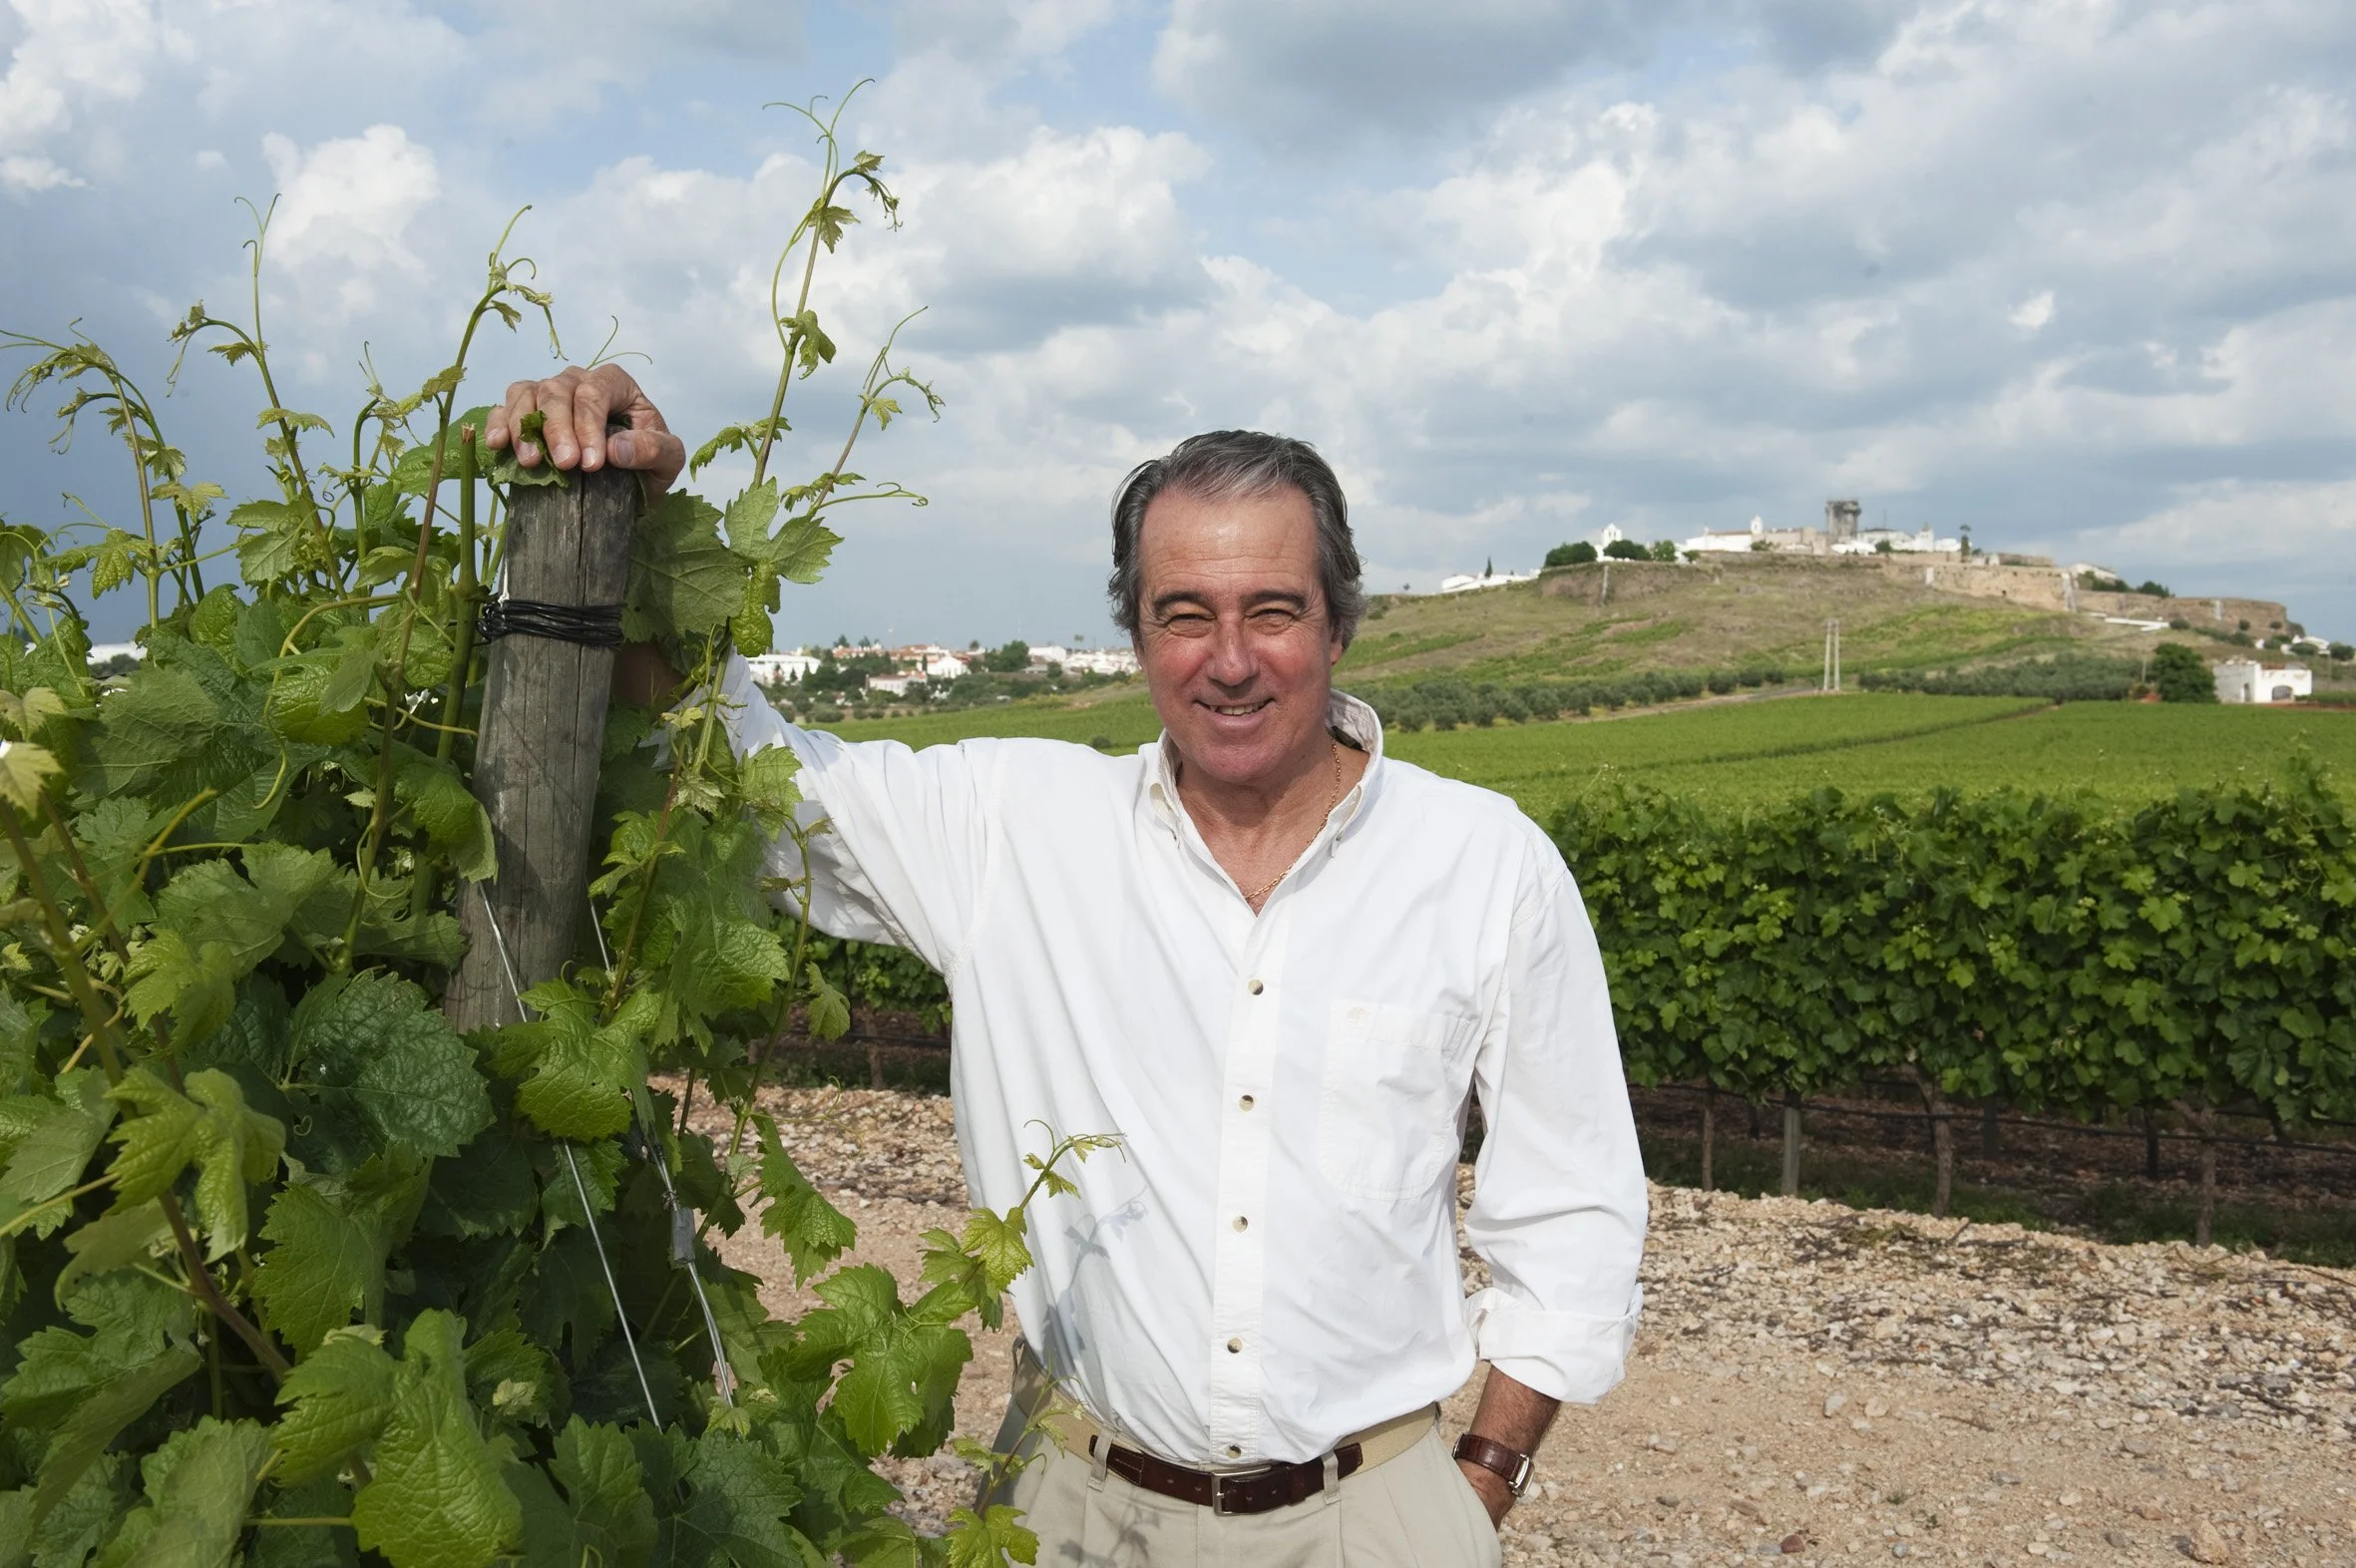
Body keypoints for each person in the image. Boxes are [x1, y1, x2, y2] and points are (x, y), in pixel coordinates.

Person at [489, 367, 1648, 1568]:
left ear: (1338, 623)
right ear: (1135, 633)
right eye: (1183, 614)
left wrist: (1481, 1482)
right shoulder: (1010, 826)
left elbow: (1573, 1207)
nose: (1230, 660)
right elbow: (741, 776)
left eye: (1272, 610)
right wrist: (632, 512)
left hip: (1378, 1519)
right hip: (1070, 1512)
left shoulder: (1485, 863)